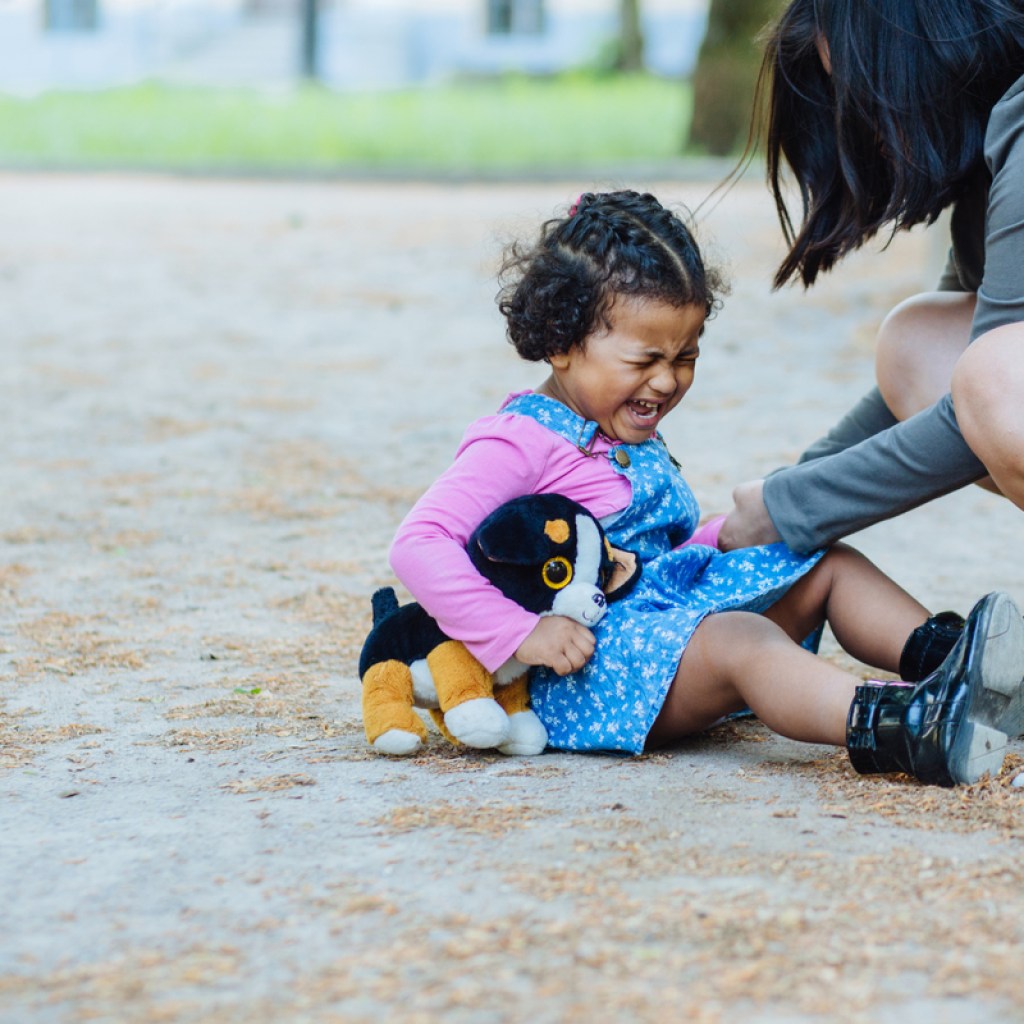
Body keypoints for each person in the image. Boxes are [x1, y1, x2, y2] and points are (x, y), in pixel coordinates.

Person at [389, 190, 1024, 787]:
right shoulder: (519, 440)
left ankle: (967, 674)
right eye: (645, 361)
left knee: (823, 563)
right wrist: (518, 634)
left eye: (685, 357)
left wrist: (719, 537)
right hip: (586, 672)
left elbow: (647, 555)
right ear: (561, 343)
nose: (666, 383)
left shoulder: (612, 426)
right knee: (743, 641)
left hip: (662, 627)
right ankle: (906, 727)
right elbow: (419, 543)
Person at [719, 0, 1024, 555]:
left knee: (994, 375)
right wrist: (776, 495)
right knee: (919, 339)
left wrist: (787, 509)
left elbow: (998, 400)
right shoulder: (990, 156)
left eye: (862, 93)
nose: (854, 122)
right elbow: (937, 375)